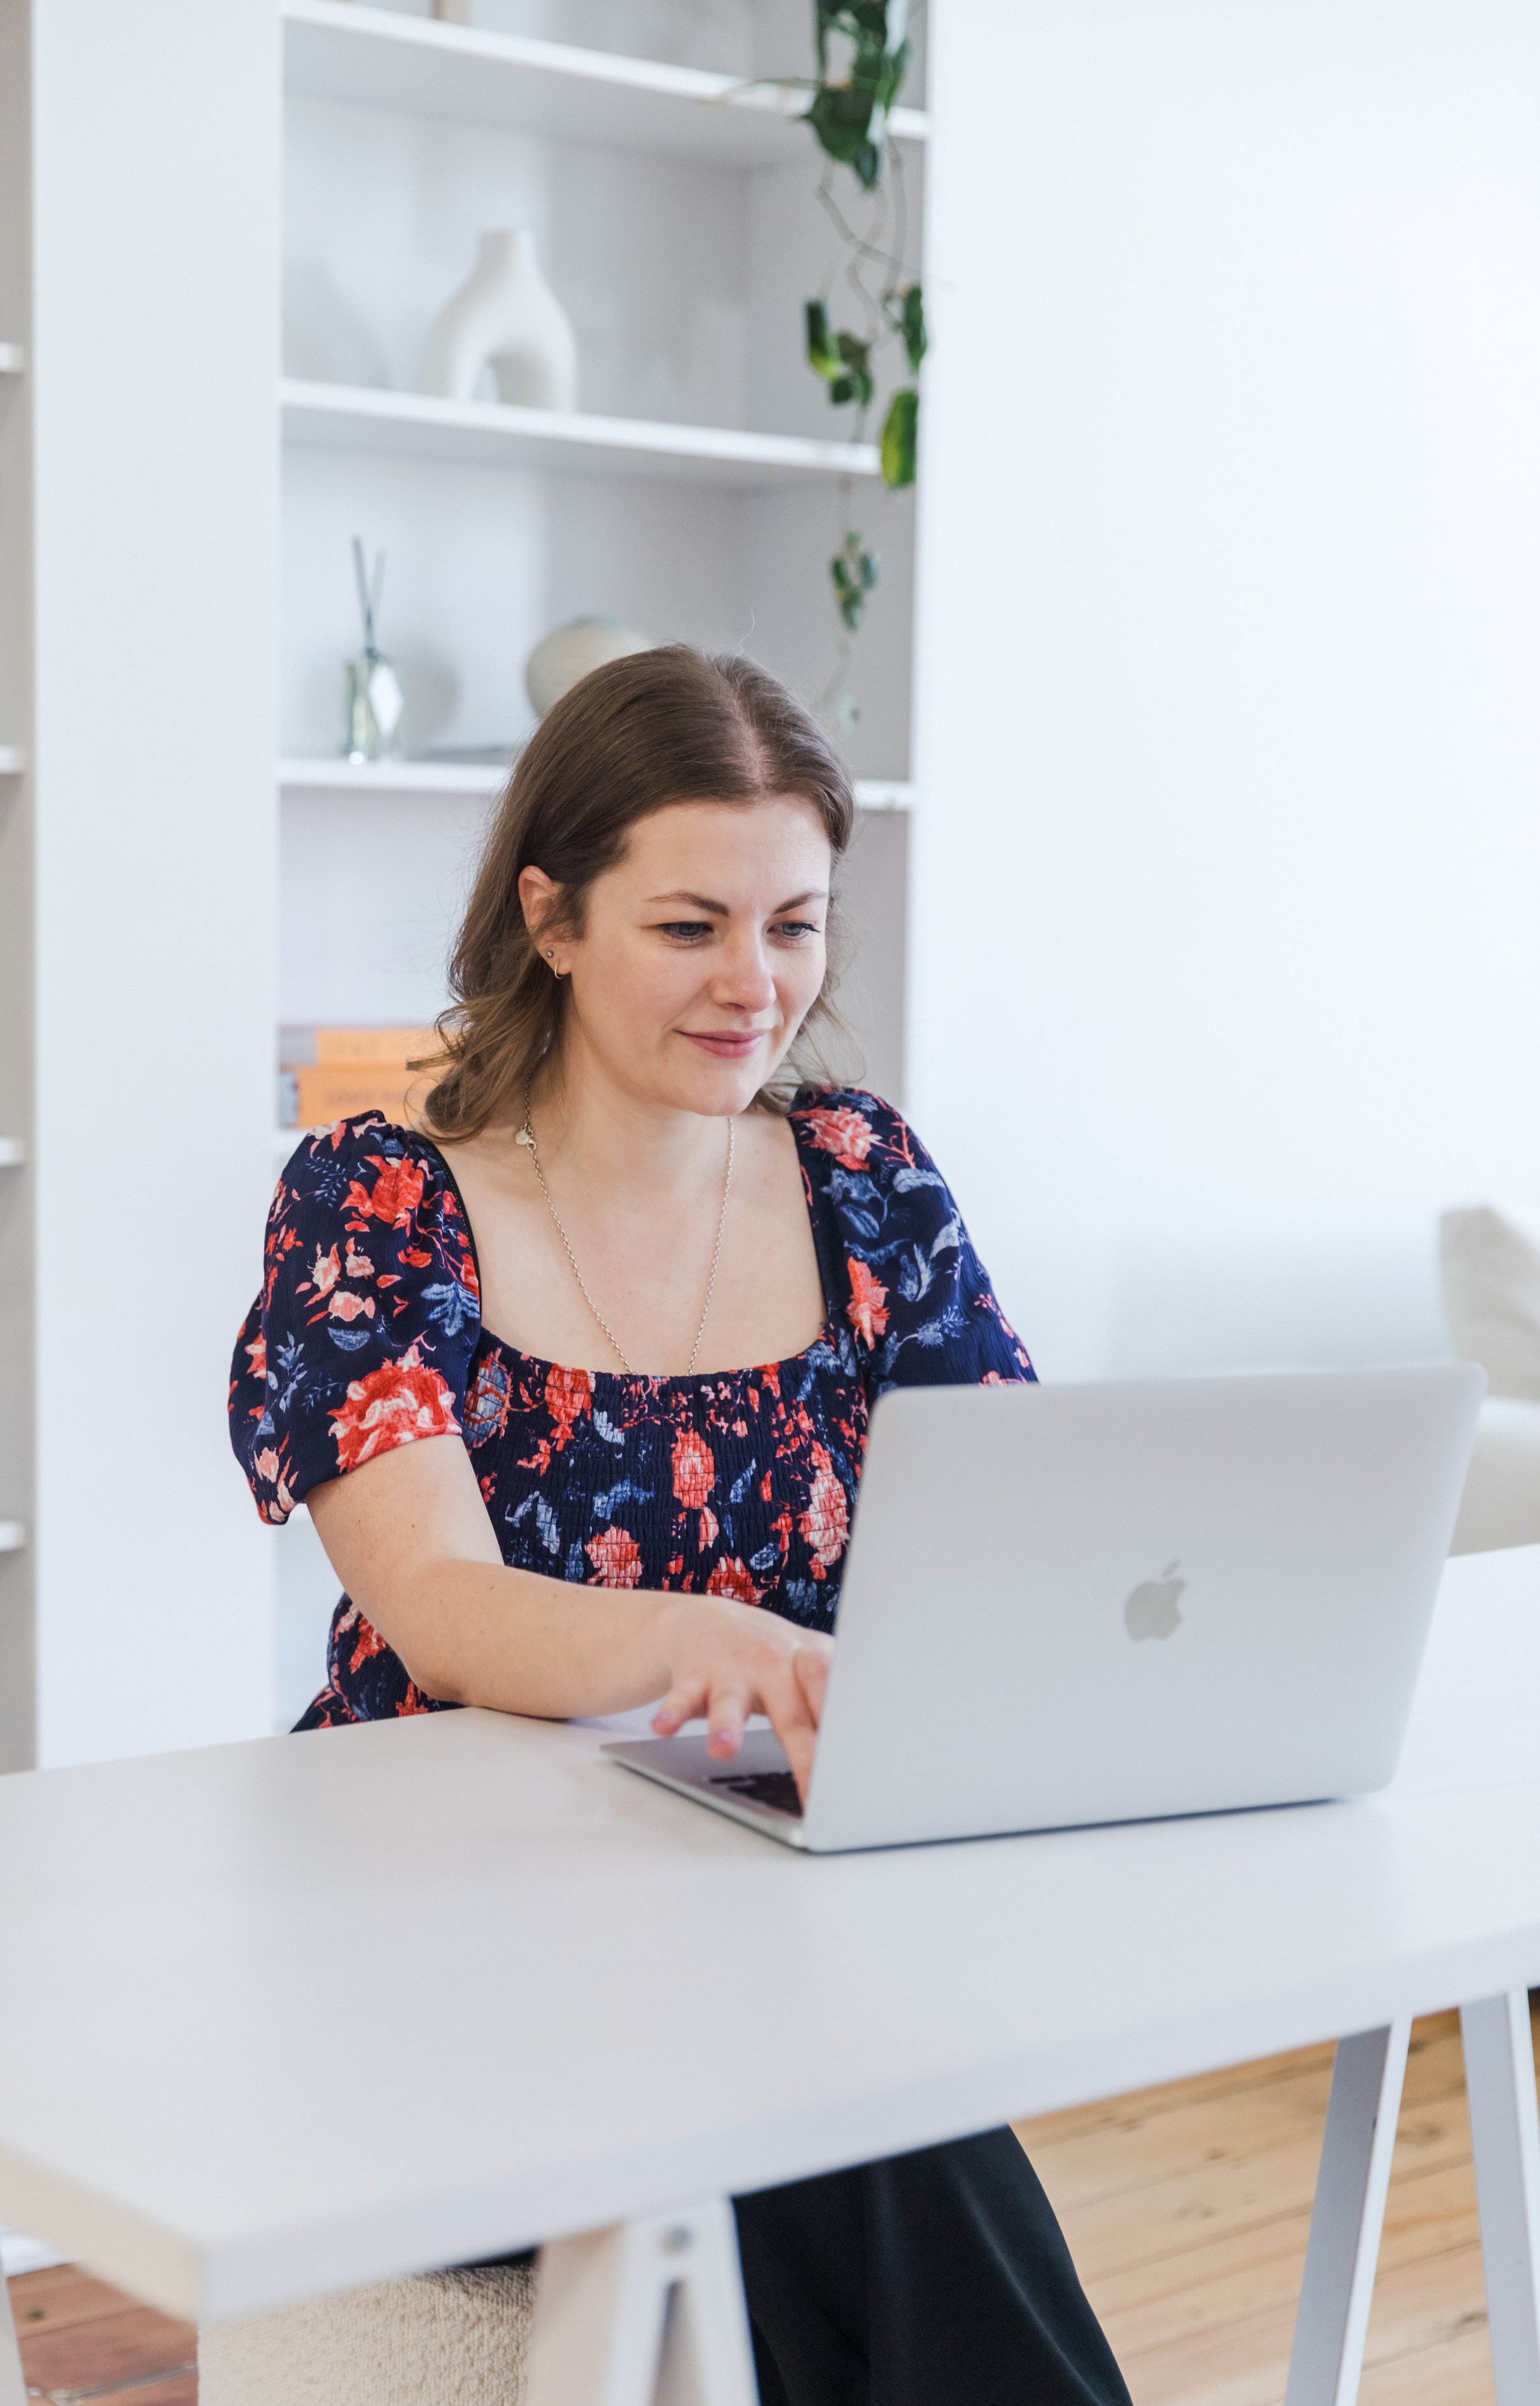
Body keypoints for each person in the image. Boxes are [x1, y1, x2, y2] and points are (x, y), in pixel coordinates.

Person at [229, 647, 1129, 2406]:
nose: (756, 985)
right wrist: (715, 1641)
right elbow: (434, 1603)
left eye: (795, 926)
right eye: (691, 927)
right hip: (450, 1920)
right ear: (551, 920)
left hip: (783, 1905)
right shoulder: (378, 1197)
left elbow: (1017, 1533)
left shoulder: (864, 1179)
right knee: (852, 2116)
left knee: (828, 2092)